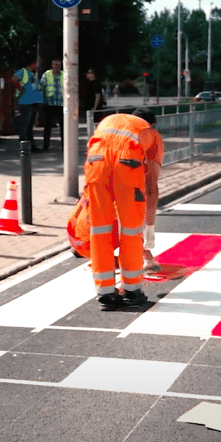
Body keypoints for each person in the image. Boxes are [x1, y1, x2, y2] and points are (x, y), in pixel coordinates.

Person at [84, 112, 156, 310]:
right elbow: (152, 185)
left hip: (96, 161)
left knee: (99, 230)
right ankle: (132, 291)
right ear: (153, 124)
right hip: (128, 162)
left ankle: (105, 294)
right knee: (131, 230)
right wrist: (150, 225)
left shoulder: (108, 121)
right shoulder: (149, 132)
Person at [131, 108, 164, 273]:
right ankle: (145, 258)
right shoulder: (150, 138)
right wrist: (150, 228)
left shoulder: (152, 140)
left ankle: (146, 257)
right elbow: (152, 184)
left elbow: (151, 183)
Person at [10, 58, 43, 152]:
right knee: (24, 126)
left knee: (29, 126)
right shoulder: (23, 71)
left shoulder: (32, 74)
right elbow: (14, 79)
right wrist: (20, 89)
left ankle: (31, 146)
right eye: (35, 64)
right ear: (31, 64)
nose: (37, 66)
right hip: (25, 102)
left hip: (32, 103)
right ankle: (24, 147)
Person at [40, 59, 64, 151]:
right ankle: (46, 145)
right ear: (52, 65)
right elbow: (42, 87)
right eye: (55, 65)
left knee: (63, 125)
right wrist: (41, 101)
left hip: (61, 103)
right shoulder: (47, 74)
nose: (57, 67)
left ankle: (64, 146)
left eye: (59, 65)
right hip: (49, 103)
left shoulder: (63, 75)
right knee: (47, 125)